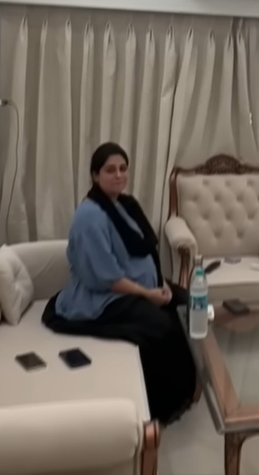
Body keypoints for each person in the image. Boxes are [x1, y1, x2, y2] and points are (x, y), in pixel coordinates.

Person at [42, 142, 198, 425]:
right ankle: (159, 407)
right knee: (161, 326)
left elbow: (145, 251)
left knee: (190, 303)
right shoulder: (90, 216)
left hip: (140, 286)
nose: (118, 175)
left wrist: (160, 283)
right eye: (110, 170)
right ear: (95, 175)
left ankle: (191, 386)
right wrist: (148, 294)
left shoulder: (123, 204)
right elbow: (106, 277)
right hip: (104, 296)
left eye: (123, 168)